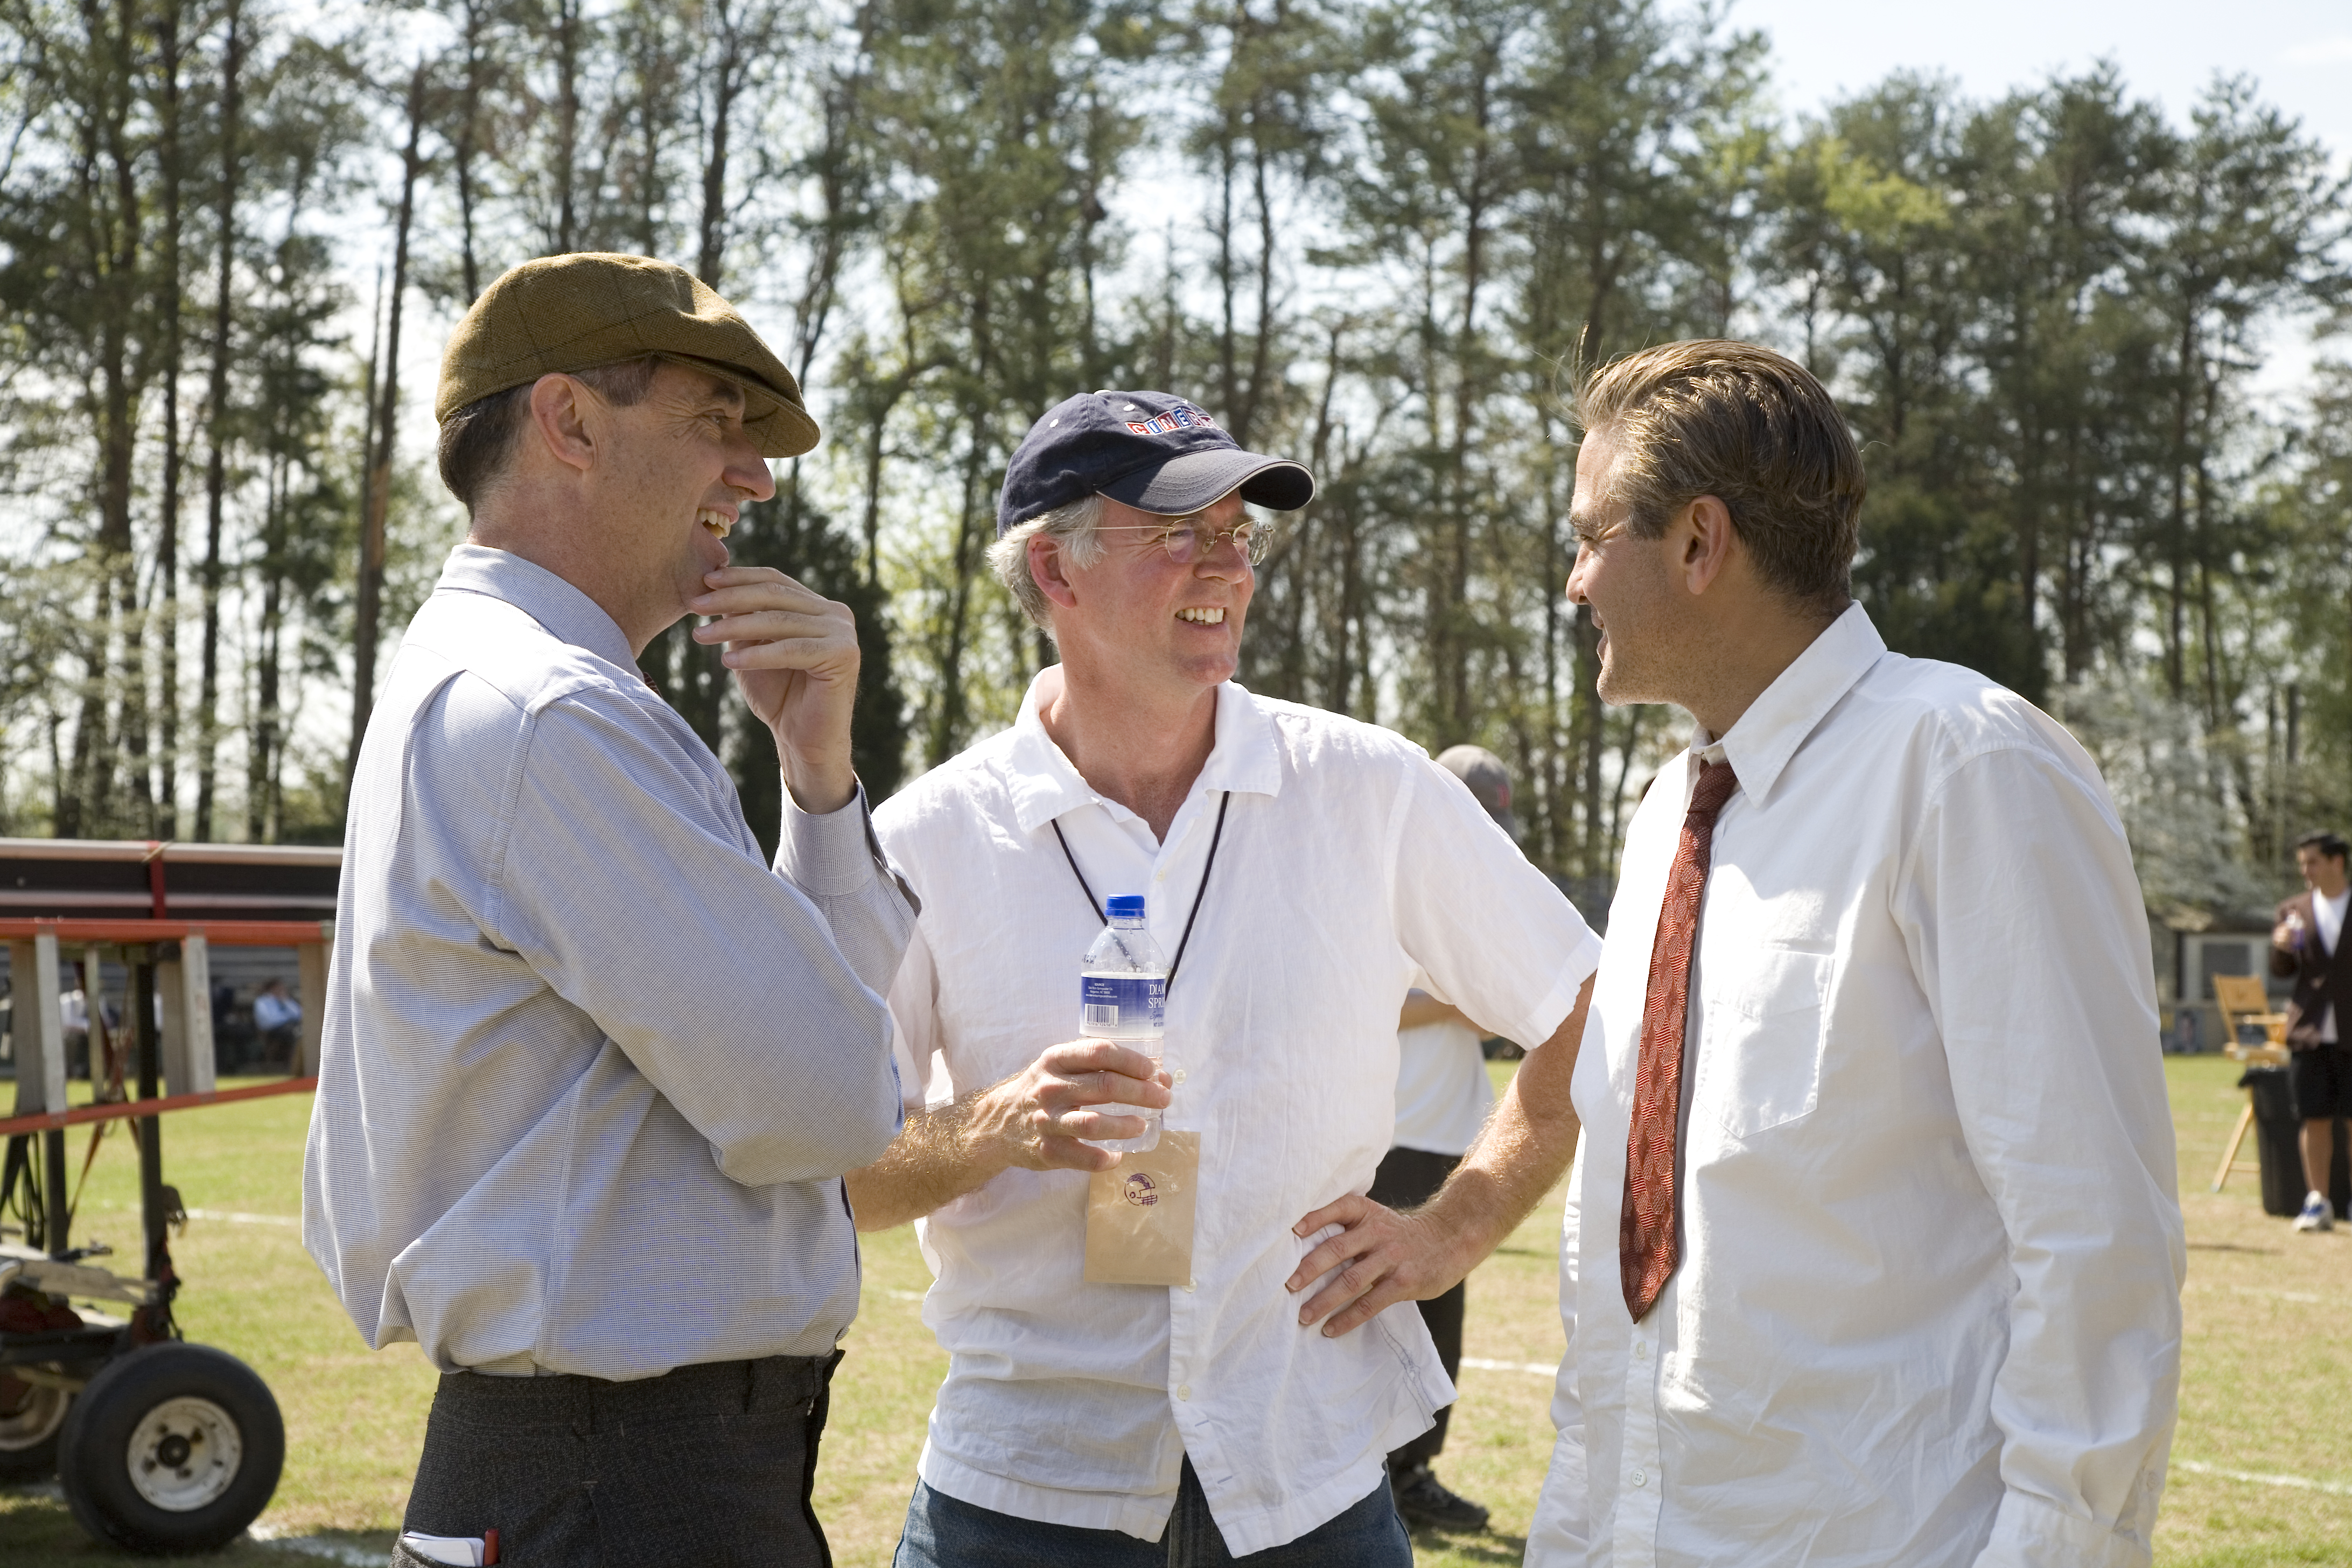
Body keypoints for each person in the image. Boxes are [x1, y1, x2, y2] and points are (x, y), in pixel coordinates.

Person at [853, 390, 1602, 1565]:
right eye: (1178, 533)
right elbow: (837, 1175)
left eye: (1239, 536)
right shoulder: (922, 840)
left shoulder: (1370, 788)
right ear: (1057, 571)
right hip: (1025, 1497)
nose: (1227, 567)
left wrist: (1457, 1225)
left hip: (1310, 1489)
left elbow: (1587, 1012)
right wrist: (995, 1125)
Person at [1525, 340, 2185, 1568]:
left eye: (1588, 535)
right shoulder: (1670, 810)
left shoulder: (1972, 768)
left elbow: (2096, 1236)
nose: (1572, 583)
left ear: (1697, 543)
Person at [302, 253, 912, 1568]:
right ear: (570, 422)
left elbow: (839, 1069)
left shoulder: (513, 689)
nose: (753, 475)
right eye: (716, 422)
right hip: (625, 1487)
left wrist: (818, 780)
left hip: (598, 1472)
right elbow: (839, 1103)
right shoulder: (554, 712)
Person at [1374, 743, 1522, 1534]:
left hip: (1455, 1140)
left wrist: (1467, 995)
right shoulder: (1381, 881)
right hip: (1389, 1136)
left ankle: (1414, 1473)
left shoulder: (1473, 899)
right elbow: (1374, 1003)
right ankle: (1379, 1480)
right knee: (1385, 1318)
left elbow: (1504, 1007)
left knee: (1440, 1321)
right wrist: (1454, 996)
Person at [2271, 829, 2351, 1233]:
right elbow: (2282, 972)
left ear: (2337, 862)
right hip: (2311, 1032)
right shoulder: (2293, 910)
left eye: (2312, 861)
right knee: (2314, 1118)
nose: (2305, 870)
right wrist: (2281, 947)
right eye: (2302, 862)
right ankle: (2318, 1201)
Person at [251, 977, 300, 1072]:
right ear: (272, 988)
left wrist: (286, 1001)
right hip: (271, 1030)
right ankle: (291, 1063)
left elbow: (299, 1014)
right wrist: (287, 1018)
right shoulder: (263, 1001)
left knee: (298, 1032)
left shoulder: (285, 1000)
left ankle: (295, 1063)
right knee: (293, 1033)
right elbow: (269, 1020)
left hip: (287, 1028)